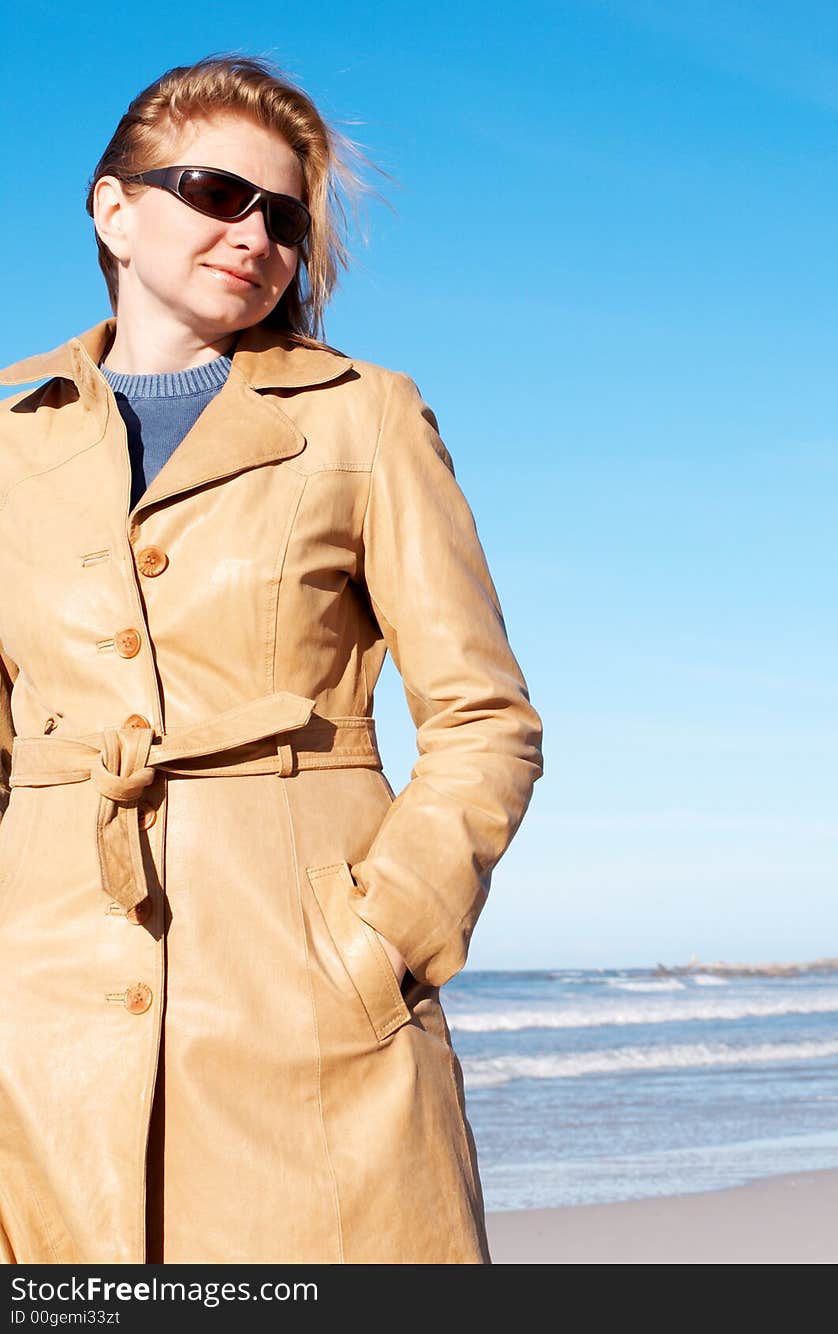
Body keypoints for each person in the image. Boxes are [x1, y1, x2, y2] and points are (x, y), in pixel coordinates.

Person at [0, 54, 543, 1265]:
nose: (254, 233)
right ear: (112, 209)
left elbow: (484, 719)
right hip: (38, 1033)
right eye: (213, 191)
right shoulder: (5, 444)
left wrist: (377, 938)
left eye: (283, 216)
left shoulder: (365, 415)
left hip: (308, 1016)